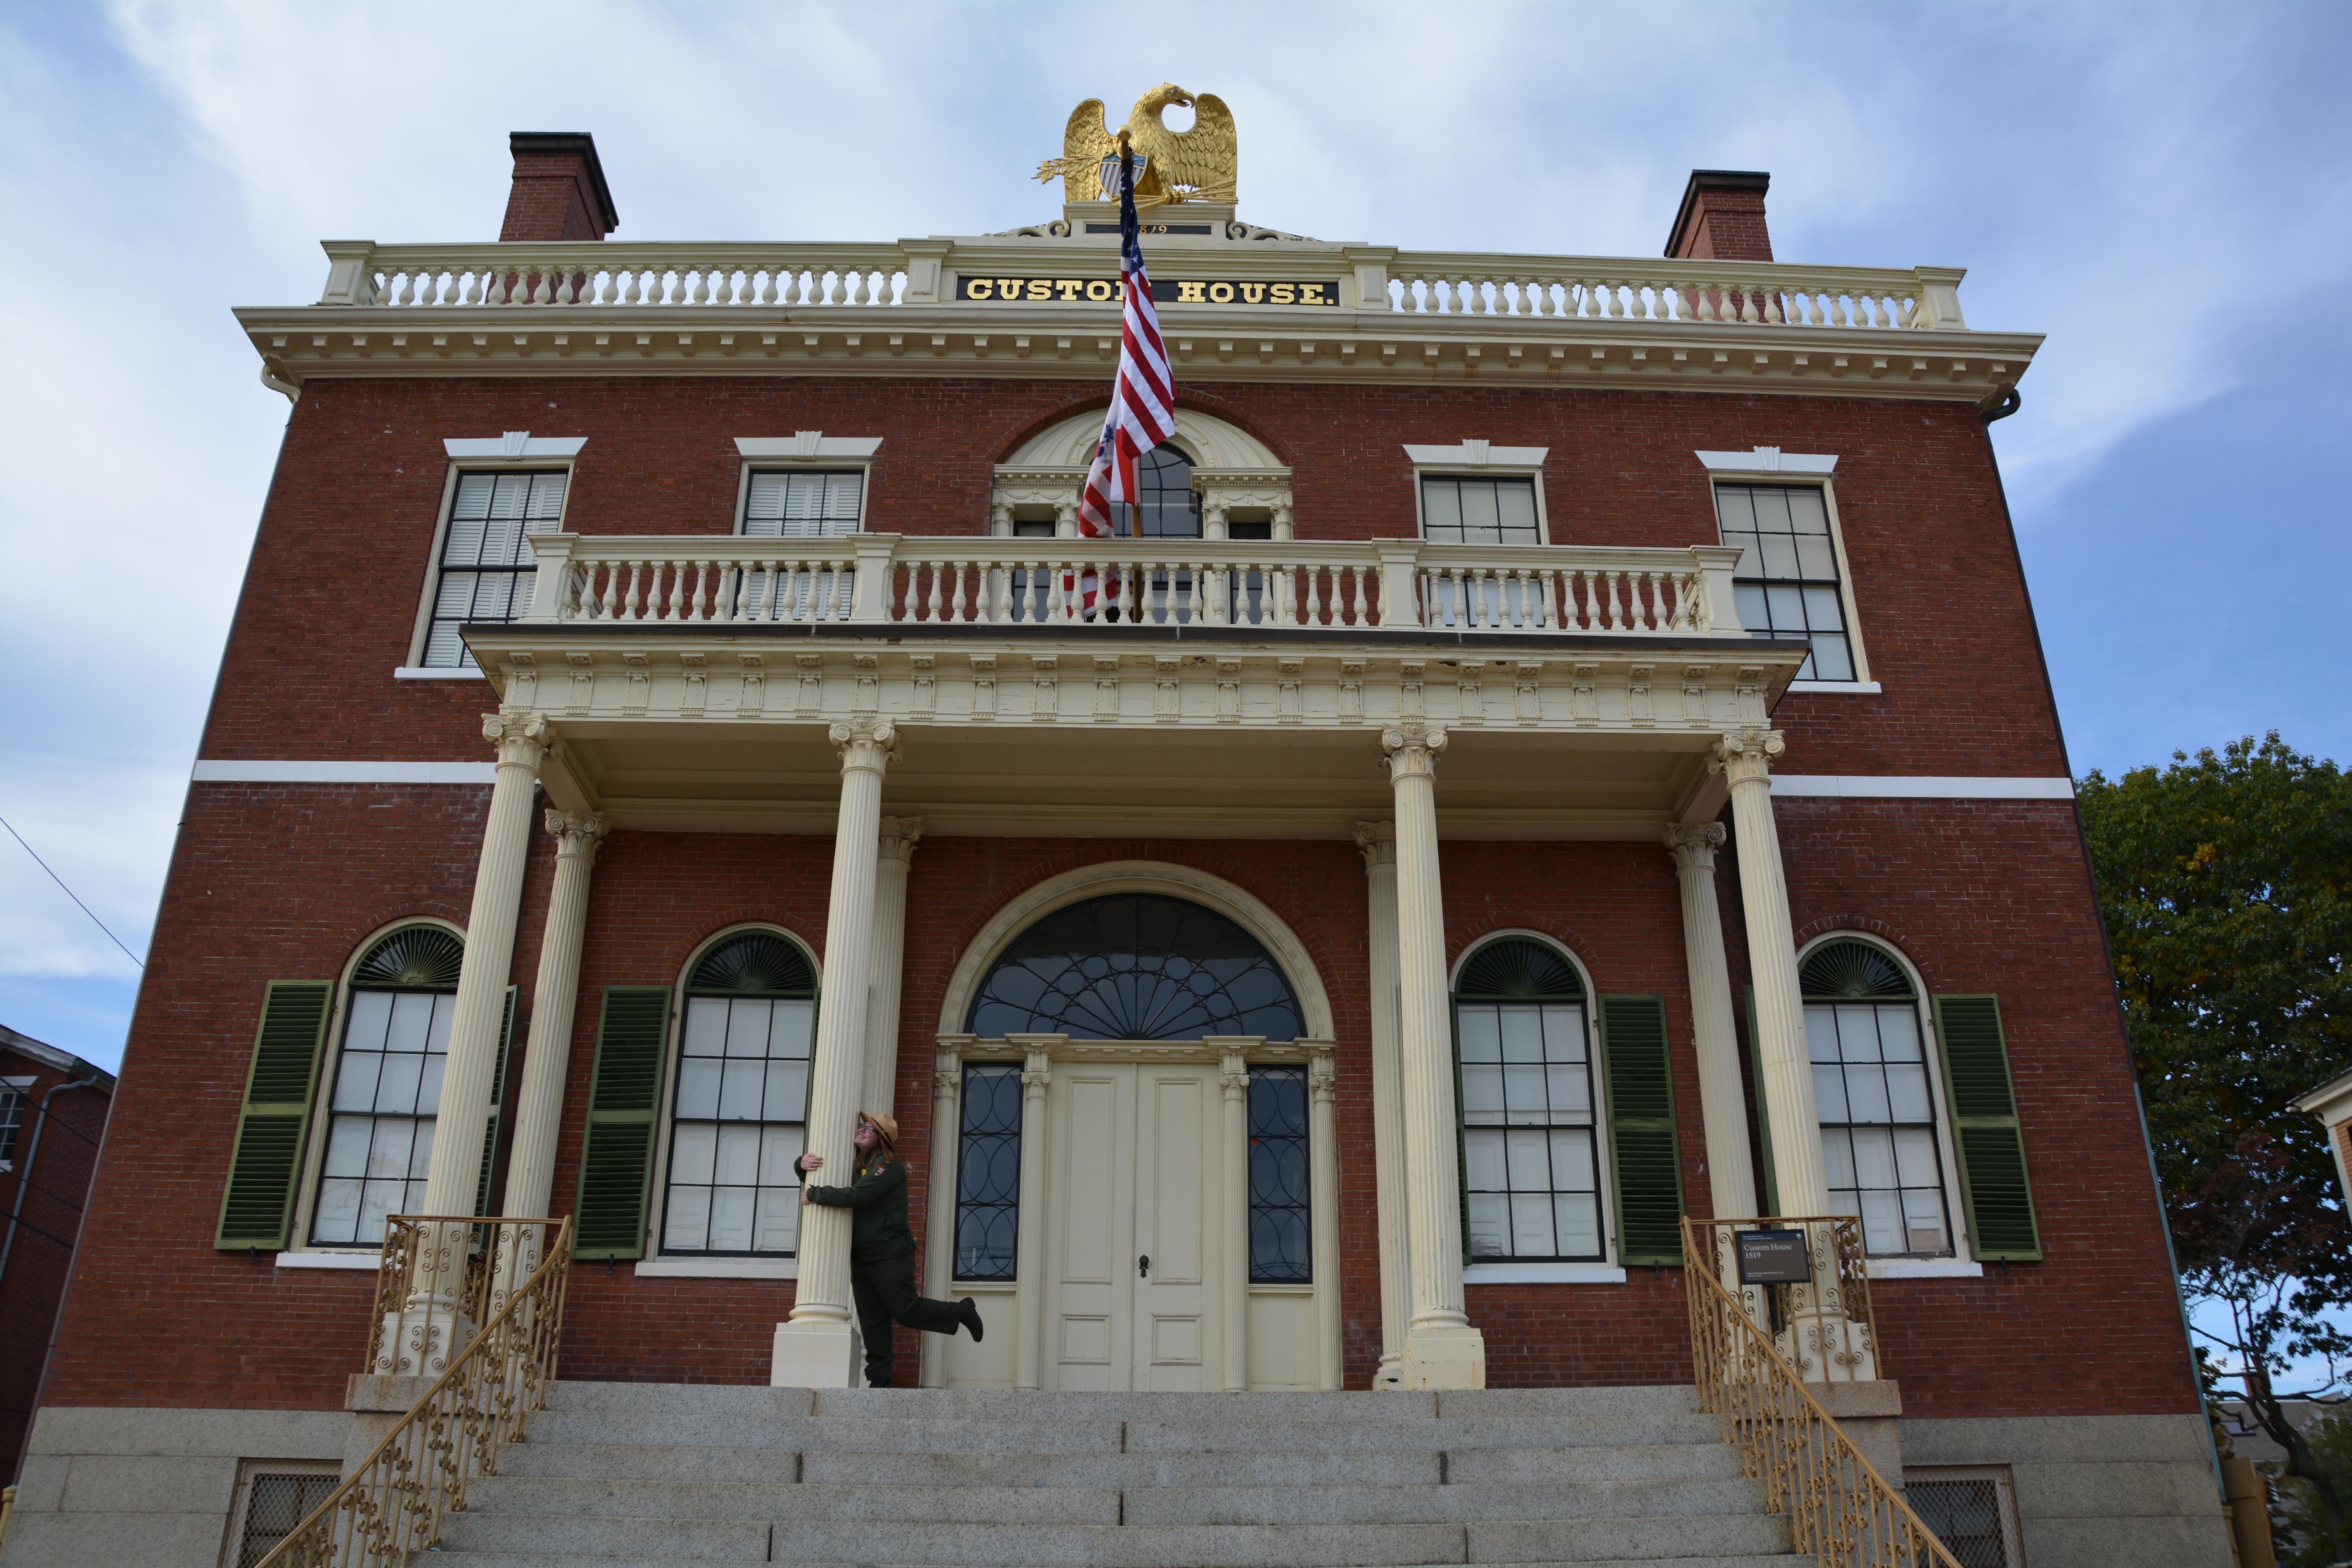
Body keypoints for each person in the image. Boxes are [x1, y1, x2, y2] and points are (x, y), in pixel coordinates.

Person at [795, 1109, 982, 1388]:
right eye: (861, 1126)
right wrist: (802, 1164)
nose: (861, 1130)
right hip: (862, 1255)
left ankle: (961, 1312)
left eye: (869, 1129)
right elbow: (827, 1172)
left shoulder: (887, 1165)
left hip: (889, 1253)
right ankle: (880, 1380)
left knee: (905, 1310)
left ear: (881, 1139)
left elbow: (861, 1195)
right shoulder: (859, 1163)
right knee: (873, 1320)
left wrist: (815, 1194)